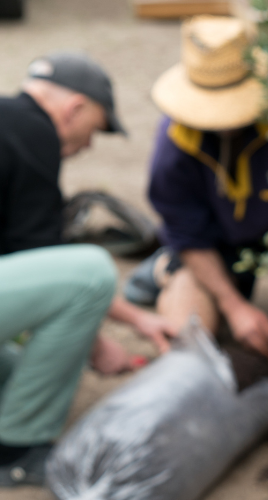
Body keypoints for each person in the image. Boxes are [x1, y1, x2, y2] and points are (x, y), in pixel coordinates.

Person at [125, 16, 268, 358]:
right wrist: (234, 307)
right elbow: (188, 232)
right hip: (210, 243)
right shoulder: (174, 144)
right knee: (189, 340)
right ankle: (168, 267)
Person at [0, 52, 176, 486]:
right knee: (94, 269)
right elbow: (61, 276)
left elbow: (26, 268)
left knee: (13, 371)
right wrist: (98, 344)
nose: (89, 146)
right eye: (95, 129)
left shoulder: (8, 123)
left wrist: (135, 319)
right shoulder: (34, 131)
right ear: (73, 109)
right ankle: (16, 450)